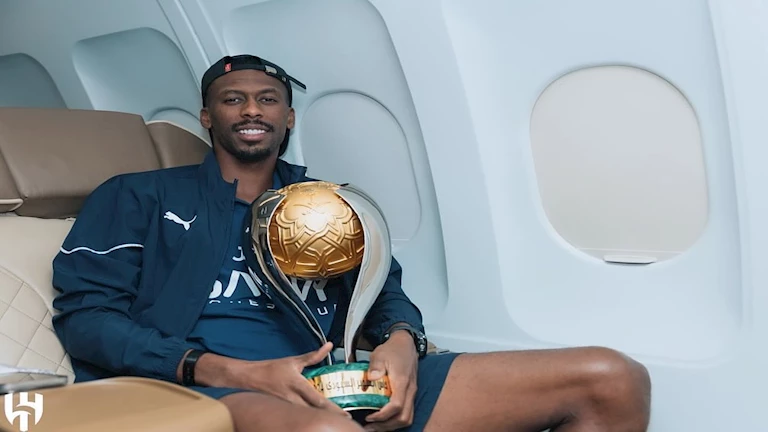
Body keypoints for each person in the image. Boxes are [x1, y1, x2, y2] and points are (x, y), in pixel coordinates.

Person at [51, 54, 652, 432]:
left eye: (268, 99)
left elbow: (384, 292)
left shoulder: (325, 203)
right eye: (233, 99)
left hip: (337, 377)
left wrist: (402, 344)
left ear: (289, 119)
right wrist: (227, 369)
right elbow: (87, 320)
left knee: (612, 377)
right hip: (210, 384)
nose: (252, 109)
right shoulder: (138, 196)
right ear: (207, 117)